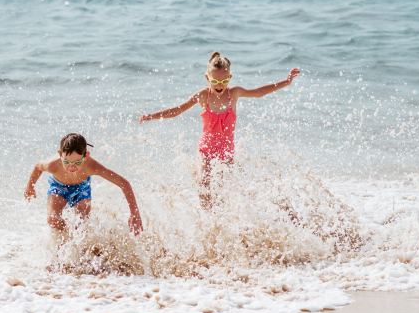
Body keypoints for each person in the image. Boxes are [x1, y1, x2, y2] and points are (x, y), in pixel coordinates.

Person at [139, 51, 300, 206]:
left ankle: (219, 224)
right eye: (215, 81)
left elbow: (258, 92)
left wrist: (286, 82)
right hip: (205, 149)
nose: (219, 85)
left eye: (224, 81)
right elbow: (178, 110)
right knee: (203, 185)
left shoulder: (234, 93)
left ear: (230, 78)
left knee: (221, 193)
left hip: (226, 151)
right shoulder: (203, 95)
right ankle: (206, 220)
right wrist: (153, 115)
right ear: (207, 78)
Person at [24, 133, 143, 236]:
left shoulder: (92, 167)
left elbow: (124, 183)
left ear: (85, 156)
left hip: (82, 189)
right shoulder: (52, 165)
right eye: (66, 162)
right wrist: (30, 186)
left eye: (77, 162)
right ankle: (65, 236)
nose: (72, 167)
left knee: (81, 228)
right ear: (60, 154)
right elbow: (37, 167)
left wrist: (134, 212)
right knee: (53, 220)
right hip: (58, 186)